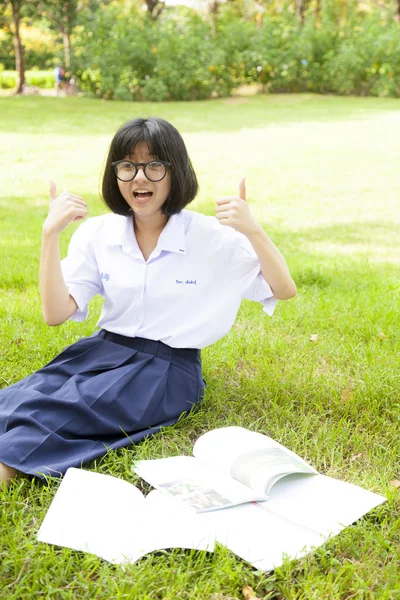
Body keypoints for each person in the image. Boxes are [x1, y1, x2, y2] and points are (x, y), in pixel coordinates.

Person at [0, 117, 296, 487]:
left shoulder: (211, 236)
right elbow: (55, 313)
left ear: (176, 173)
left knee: (64, 412)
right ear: (115, 174)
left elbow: (283, 289)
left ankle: (9, 467)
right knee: (19, 400)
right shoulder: (98, 233)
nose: (140, 177)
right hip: (99, 351)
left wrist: (252, 230)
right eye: (127, 166)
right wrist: (50, 235)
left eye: (154, 165)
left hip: (167, 368)